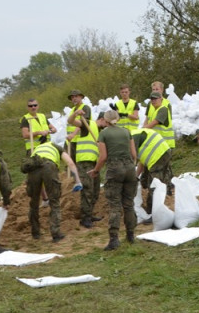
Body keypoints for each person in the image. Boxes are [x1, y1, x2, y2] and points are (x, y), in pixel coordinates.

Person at [90, 109, 138, 250]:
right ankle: (130, 235)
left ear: (105, 120)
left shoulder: (103, 134)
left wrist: (96, 170)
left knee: (115, 205)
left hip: (114, 169)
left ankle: (114, 239)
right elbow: (134, 154)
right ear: (117, 119)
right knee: (129, 204)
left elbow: (103, 157)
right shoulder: (126, 131)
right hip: (129, 168)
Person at [21, 141, 66, 242]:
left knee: (34, 203)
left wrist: (44, 197)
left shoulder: (37, 150)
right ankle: (56, 233)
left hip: (34, 170)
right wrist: (77, 180)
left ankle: (35, 233)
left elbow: (38, 182)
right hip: (49, 167)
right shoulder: (56, 147)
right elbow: (70, 163)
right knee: (54, 202)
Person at [68, 97, 101, 227]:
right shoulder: (86, 125)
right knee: (87, 189)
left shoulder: (97, 128)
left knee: (95, 190)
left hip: (94, 162)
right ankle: (85, 217)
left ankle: (90, 213)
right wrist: (75, 114)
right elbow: (70, 121)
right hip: (85, 162)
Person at [133, 126, 174, 214]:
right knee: (146, 180)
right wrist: (136, 176)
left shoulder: (131, 138)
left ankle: (152, 213)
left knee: (154, 185)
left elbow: (133, 158)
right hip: (163, 151)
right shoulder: (135, 135)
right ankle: (166, 190)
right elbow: (141, 161)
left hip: (158, 156)